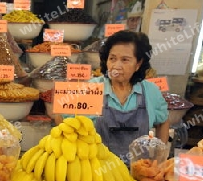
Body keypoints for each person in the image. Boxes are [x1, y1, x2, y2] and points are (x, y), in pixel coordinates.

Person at [56, 30, 169, 164]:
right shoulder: (90, 89)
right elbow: (62, 119)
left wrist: (159, 157)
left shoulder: (150, 91)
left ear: (138, 64)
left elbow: (163, 121)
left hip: (138, 171)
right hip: (96, 171)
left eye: (125, 60)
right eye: (112, 59)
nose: (116, 66)